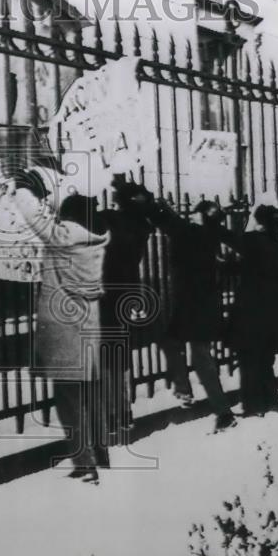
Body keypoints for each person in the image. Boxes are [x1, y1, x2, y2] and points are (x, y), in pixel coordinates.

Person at [13, 175, 110, 484]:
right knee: (89, 397)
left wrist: (21, 191)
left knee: (68, 400)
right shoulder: (94, 241)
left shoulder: (63, 237)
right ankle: (100, 454)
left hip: (65, 331)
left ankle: (85, 463)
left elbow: (36, 220)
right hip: (88, 326)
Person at [148, 199, 238, 432]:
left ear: (203, 218)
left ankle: (190, 393)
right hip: (202, 305)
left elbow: (169, 222)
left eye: (196, 214)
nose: (192, 216)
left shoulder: (192, 234)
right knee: (196, 355)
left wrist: (157, 205)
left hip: (192, 306)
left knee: (186, 350)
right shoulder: (208, 236)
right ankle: (218, 409)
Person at [95, 178, 154, 443]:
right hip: (127, 292)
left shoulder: (110, 220)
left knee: (104, 354)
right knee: (120, 354)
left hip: (103, 291)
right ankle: (123, 413)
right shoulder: (143, 226)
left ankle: (110, 415)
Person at [230, 205, 278, 417]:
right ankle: (271, 403)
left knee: (249, 359)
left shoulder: (254, 240)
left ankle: (253, 405)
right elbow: (254, 266)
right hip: (271, 311)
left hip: (252, 311)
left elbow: (233, 241)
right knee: (264, 361)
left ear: (260, 222)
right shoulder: (275, 242)